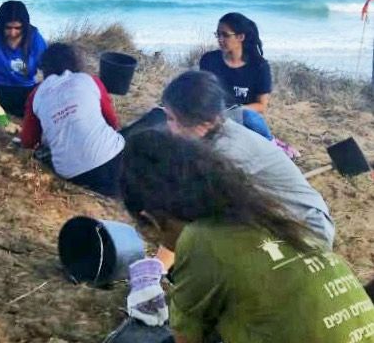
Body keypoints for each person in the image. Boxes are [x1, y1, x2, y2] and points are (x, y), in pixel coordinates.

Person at [120, 129, 374, 343]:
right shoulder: (260, 210)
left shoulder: (198, 240)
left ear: (151, 219)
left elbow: (185, 339)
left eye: (152, 236)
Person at [162, 69, 335, 246]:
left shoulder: (228, 152)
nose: (170, 128)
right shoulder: (215, 131)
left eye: (172, 119)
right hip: (273, 219)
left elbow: (195, 213)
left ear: (205, 122)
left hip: (307, 230)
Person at [20, 43, 124, 197]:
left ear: (45, 68)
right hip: (114, 161)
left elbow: (28, 141)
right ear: (76, 62)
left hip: (73, 174)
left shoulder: (36, 94)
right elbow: (112, 123)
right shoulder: (90, 80)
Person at [199, 12, 274, 140]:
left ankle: (272, 144)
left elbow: (261, 105)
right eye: (218, 34)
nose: (220, 39)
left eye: (225, 35)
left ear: (240, 37)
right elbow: (201, 92)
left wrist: (231, 112)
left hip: (242, 117)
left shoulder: (259, 66)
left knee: (250, 117)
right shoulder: (209, 60)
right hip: (212, 116)